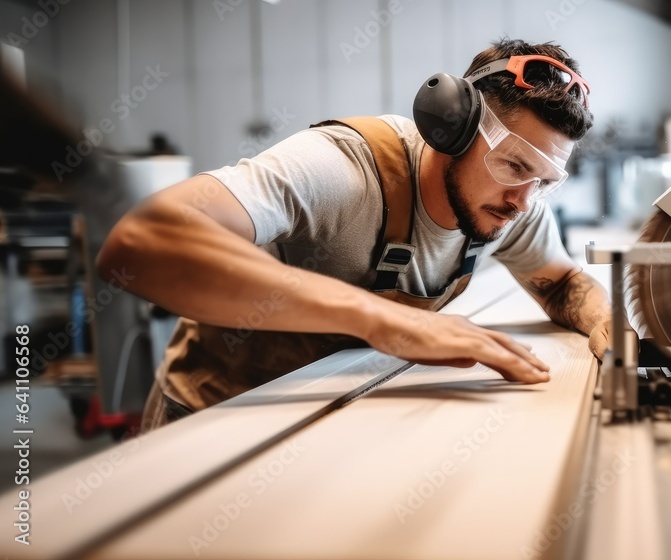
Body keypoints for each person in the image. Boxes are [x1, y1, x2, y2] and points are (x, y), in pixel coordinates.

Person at [96, 39, 611, 431]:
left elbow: (561, 283)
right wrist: (381, 320)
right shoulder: (342, 168)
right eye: (513, 165)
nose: (523, 200)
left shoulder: (512, 205)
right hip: (217, 418)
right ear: (452, 126)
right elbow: (141, 241)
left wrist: (605, 322)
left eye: (543, 181)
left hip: (329, 420)